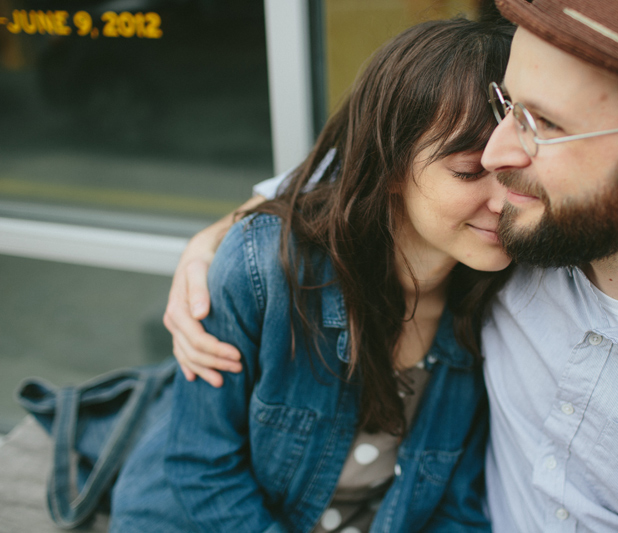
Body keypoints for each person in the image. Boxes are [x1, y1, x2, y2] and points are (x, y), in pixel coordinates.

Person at [167, 0, 618, 530]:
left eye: (542, 123)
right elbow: (376, 156)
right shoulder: (516, 241)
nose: (498, 154)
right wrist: (222, 237)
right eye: (507, 106)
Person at [110, 18, 515, 532]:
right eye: (469, 171)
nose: (505, 201)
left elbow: (457, 505)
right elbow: (201, 465)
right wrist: (206, 243)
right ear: (391, 166)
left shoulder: (494, 300)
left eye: (519, 173)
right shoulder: (266, 270)